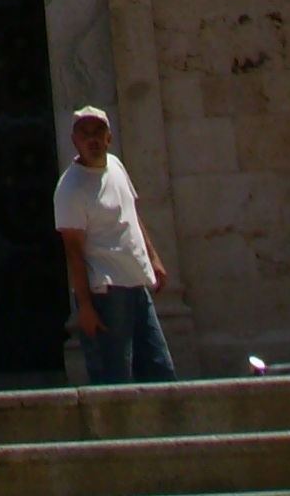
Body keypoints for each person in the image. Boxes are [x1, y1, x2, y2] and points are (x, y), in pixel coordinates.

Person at [53, 105, 176, 384]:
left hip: (136, 285)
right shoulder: (70, 189)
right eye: (85, 134)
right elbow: (73, 251)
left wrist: (153, 259)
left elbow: (132, 213)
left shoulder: (116, 166)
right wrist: (84, 306)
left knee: (160, 371)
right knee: (115, 377)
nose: (92, 139)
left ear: (109, 137)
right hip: (105, 293)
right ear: (75, 141)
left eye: (98, 132)